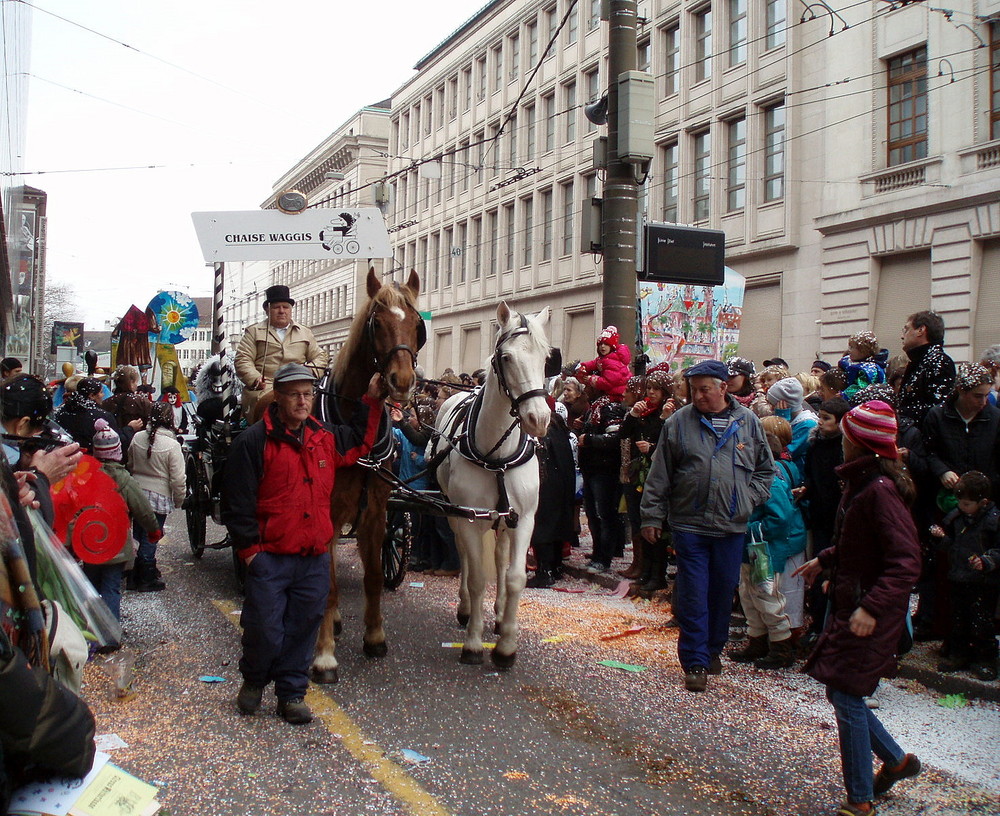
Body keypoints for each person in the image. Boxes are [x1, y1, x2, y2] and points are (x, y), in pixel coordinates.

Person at [221, 363, 384, 725]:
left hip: (312, 558)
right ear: (277, 397)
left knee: (303, 628)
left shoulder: (324, 437)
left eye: (308, 394)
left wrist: (371, 400)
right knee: (264, 627)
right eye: (294, 393)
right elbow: (238, 501)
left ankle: (292, 693)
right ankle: (254, 679)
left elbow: (360, 440)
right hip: (271, 558)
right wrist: (251, 554)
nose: (302, 401)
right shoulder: (253, 441)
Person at [795, 401, 922, 816]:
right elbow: (861, 542)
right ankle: (896, 761)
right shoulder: (864, 483)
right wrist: (826, 558)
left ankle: (860, 800)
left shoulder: (879, 490)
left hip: (869, 613)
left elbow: (905, 562)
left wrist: (871, 607)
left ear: (859, 443)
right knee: (842, 690)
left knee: (847, 695)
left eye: (848, 435)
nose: (842, 440)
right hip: (855, 602)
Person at [640, 359, 774, 691]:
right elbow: (659, 476)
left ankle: (713, 649)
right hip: (690, 524)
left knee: (721, 592)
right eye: (693, 389)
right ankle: (695, 661)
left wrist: (747, 498)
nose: (697, 396)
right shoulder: (677, 423)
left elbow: (765, 470)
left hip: (731, 526)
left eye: (704, 389)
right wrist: (652, 516)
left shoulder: (748, 423)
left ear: (723, 388)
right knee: (694, 594)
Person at [731, 415, 805, 670]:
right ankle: (757, 639)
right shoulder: (749, 476)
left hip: (762, 549)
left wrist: (747, 529)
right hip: (748, 547)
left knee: (766, 595)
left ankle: (781, 645)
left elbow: (780, 518)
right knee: (748, 595)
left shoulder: (770, 479)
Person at [87, 419, 161, 626]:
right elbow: (143, 509)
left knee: (90, 586)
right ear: (118, 451)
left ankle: (91, 629)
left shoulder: (86, 476)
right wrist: (153, 530)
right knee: (111, 586)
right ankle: (110, 634)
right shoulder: (125, 480)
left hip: (88, 539)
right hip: (116, 539)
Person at [929, 471, 1000, 680]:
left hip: (984, 581)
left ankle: (985, 658)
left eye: (967, 503)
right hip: (958, 576)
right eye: (960, 502)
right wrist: (940, 539)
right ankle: (959, 653)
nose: (962, 507)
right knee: (958, 618)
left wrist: (987, 561)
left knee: (982, 621)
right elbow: (951, 545)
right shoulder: (957, 516)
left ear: (983, 502)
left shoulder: (993, 521)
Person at [235, 285, 329, 421]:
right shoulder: (254, 332)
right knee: (271, 407)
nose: (281, 311)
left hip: (298, 385)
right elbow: (243, 360)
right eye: (276, 307)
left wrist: (309, 371)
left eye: (285, 307)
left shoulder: (304, 332)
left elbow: (320, 356)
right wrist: (255, 379)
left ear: (291, 310)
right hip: (266, 386)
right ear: (267, 309)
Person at [126, 402, 185, 592]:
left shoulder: (137, 437)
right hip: (159, 495)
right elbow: (177, 479)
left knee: (137, 533)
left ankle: (133, 574)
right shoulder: (172, 445)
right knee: (152, 536)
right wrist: (179, 500)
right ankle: (146, 575)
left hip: (136, 492)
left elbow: (130, 463)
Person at [619, 370, 671, 585]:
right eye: (649, 388)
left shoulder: (669, 412)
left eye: (656, 388)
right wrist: (632, 416)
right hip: (639, 473)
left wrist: (651, 448)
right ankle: (645, 567)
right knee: (640, 520)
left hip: (658, 473)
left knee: (656, 523)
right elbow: (623, 434)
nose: (651, 392)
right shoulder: (643, 412)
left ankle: (657, 572)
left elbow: (669, 443)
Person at [527, 401, 577, 588]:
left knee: (543, 525)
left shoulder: (544, 431)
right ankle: (555, 566)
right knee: (556, 524)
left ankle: (545, 570)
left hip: (546, 483)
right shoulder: (559, 427)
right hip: (561, 483)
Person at [898, 310, 956, 425]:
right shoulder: (920, 361)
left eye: (907, 329)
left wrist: (900, 414)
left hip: (922, 438)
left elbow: (937, 409)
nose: (902, 336)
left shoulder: (939, 361)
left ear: (921, 330)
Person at [54, 376, 130, 454]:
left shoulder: (61, 412)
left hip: (67, 456)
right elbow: (114, 441)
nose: (103, 395)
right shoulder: (103, 416)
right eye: (101, 392)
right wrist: (129, 429)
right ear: (92, 396)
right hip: (93, 460)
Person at [765, 376, 818, 475]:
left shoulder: (807, 425)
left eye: (772, 404)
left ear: (784, 404)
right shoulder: (794, 420)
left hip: (797, 475)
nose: (770, 408)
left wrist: (781, 421)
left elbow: (783, 452)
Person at [575, 325, 631, 401]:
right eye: (600, 344)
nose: (603, 346)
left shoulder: (613, 362)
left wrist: (592, 379)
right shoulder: (606, 358)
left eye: (606, 344)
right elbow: (594, 363)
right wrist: (583, 366)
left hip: (616, 396)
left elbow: (608, 383)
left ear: (612, 346)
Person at [838, 331, 889, 403]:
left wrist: (844, 395)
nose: (849, 350)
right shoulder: (851, 363)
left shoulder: (868, 370)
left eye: (852, 347)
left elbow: (859, 387)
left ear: (864, 350)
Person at [102, 365, 151, 433]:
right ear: (131, 383)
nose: (137, 385)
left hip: (113, 439)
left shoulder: (106, 402)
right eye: (136, 382)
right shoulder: (141, 402)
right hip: (136, 440)